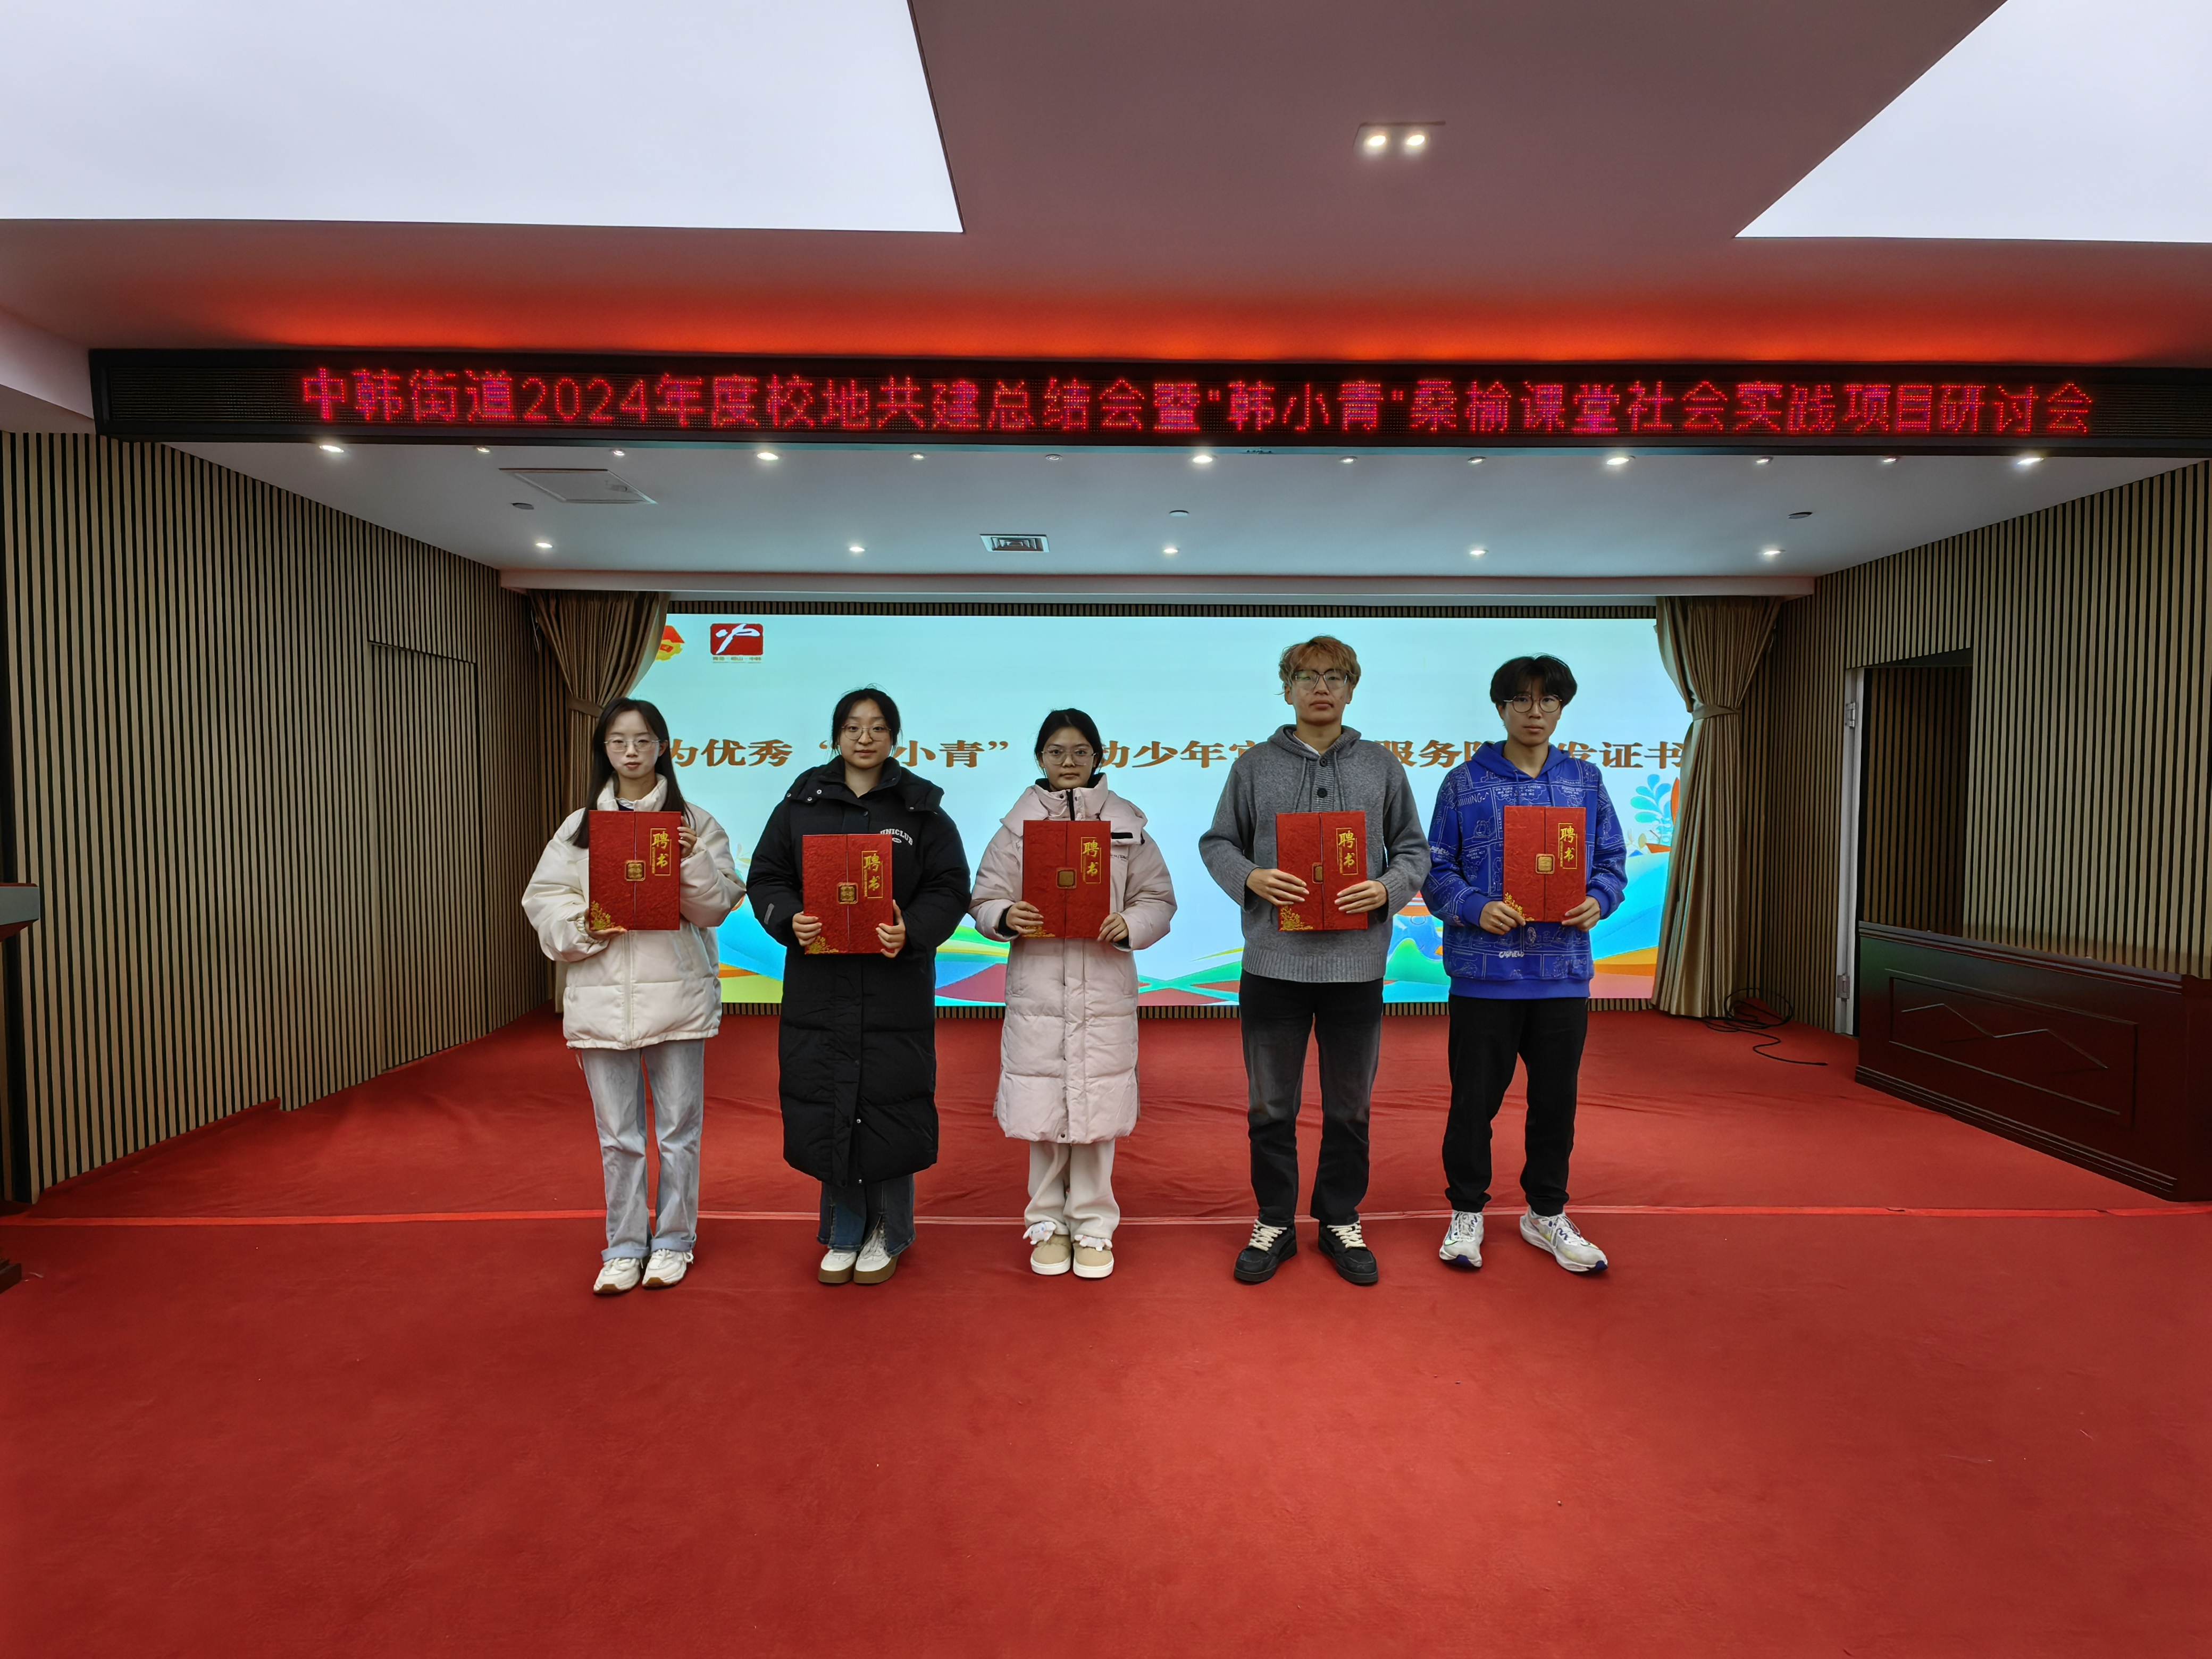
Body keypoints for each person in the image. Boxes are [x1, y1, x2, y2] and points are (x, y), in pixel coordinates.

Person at [1199, 636, 1431, 1286]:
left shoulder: (1381, 766)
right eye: (1306, 677)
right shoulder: (1252, 766)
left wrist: (1386, 888)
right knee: (1269, 1107)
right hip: (1272, 965)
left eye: (1333, 676)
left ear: (1352, 688)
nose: (1320, 687)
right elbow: (1217, 842)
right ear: (1287, 689)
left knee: (1349, 1108)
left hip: (1355, 969)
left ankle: (1338, 1218)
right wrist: (1251, 877)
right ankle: (1274, 1220)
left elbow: (1413, 849)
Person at [745, 689, 971, 1286]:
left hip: (894, 983)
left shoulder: (921, 809)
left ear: (894, 737)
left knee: (890, 1098)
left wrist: (911, 929)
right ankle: (843, 1229)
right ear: (836, 736)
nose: (864, 738)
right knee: (830, 1097)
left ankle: (890, 1230)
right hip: (820, 983)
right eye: (852, 727)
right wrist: (789, 918)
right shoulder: (799, 804)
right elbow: (765, 877)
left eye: (876, 728)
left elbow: (951, 885)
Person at [522, 697, 744, 1296]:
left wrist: (691, 862)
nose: (631, 751)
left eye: (643, 740)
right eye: (618, 741)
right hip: (601, 999)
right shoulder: (578, 828)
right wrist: (586, 925)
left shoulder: (694, 823)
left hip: (676, 997)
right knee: (617, 1137)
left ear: (662, 747)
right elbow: (543, 901)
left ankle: (673, 1240)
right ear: (604, 749)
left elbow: (717, 906)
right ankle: (623, 1246)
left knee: (678, 1132)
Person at [1422, 654, 1627, 1275]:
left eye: (1546, 700)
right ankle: (1466, 1212)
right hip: (1484, 976)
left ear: (1561, 707)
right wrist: (1474, 906)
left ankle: (1545, 1213)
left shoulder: (1584, 781)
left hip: (1560, 974)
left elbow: (1611, 860)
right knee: (1472, 1105)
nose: (1533, 712)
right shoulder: (1463, 782)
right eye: (1520, 699)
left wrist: (1598, 900)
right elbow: (1434, 868)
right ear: (1500, 707)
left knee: (1554, 1105)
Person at [968, 709, 1178, 1279]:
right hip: (1037, 987)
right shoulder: (1014, 830)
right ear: (1040, 757)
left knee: (1095, 1109)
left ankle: (1092, 1224)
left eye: (1080, 751)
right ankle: (1045, 1222)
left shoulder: (1128, 827)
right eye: (1056, 751)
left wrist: (1131, 924)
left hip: (1103, 986)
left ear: (1098, 757)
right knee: (1042, 1107)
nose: (1068, 761)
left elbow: (1158, 899)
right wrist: (1005, 915)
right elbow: (983, 897)